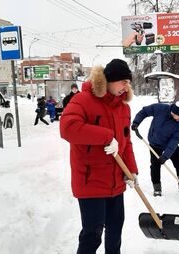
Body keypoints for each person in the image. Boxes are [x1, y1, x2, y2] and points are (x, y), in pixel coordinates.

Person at [59, 59, 138, 254]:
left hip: (115, 183)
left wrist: (131, 171)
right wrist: (105, 136)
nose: (126, 87)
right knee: (92, 234)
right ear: (108, 80)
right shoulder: (83, 100)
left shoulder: (123, 108)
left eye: (128, 82)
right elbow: (68, 128)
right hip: (90, 181)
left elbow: (126, 144)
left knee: (115, 232)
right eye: (123, 82)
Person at [131, 99, 179, 196]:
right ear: (173, 112)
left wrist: (165, 156)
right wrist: (136, 122)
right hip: (155, 143)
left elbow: (175, 140)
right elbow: (144, 111)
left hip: (169, 145)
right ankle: (157, 187)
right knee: (155, 165)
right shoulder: (160, 108)